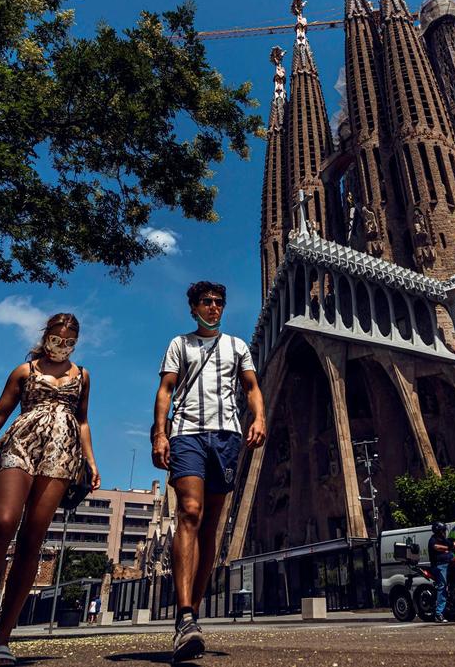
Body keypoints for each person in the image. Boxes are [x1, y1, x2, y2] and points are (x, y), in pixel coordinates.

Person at [0, 313, 101, 666]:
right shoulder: (24, 371)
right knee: (3, 523)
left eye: (69, 341)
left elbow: (83, 420)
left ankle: (3, 639)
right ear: (46, 337)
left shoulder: (83, 376)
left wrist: (91, 462)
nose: (62, 345)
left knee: (33, 540)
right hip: (20, 446)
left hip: (61, 455)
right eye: (57, 339)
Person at [151, 282, 266, 661]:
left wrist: (259, 417)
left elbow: (251, 387)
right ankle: (184, 614)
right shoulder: (178, 344)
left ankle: (192, 616)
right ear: (193, 307)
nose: (214, 307)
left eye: (219, 302)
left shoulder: (238, 346)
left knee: (212, 524)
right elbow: (166, 389)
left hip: (228, 436)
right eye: (206, 302)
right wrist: (160, 433)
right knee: (191, 512)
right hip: (187, 434)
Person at [427, 521, 453, 623]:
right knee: (442, 585)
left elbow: (454, 544)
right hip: (439, 566)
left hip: (448, 564)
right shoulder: (433, 540)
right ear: (438, 532)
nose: (444, 533)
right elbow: (436, 547)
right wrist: (448, 548)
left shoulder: (443, 540)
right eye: (442, 531)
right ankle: (438, 614)